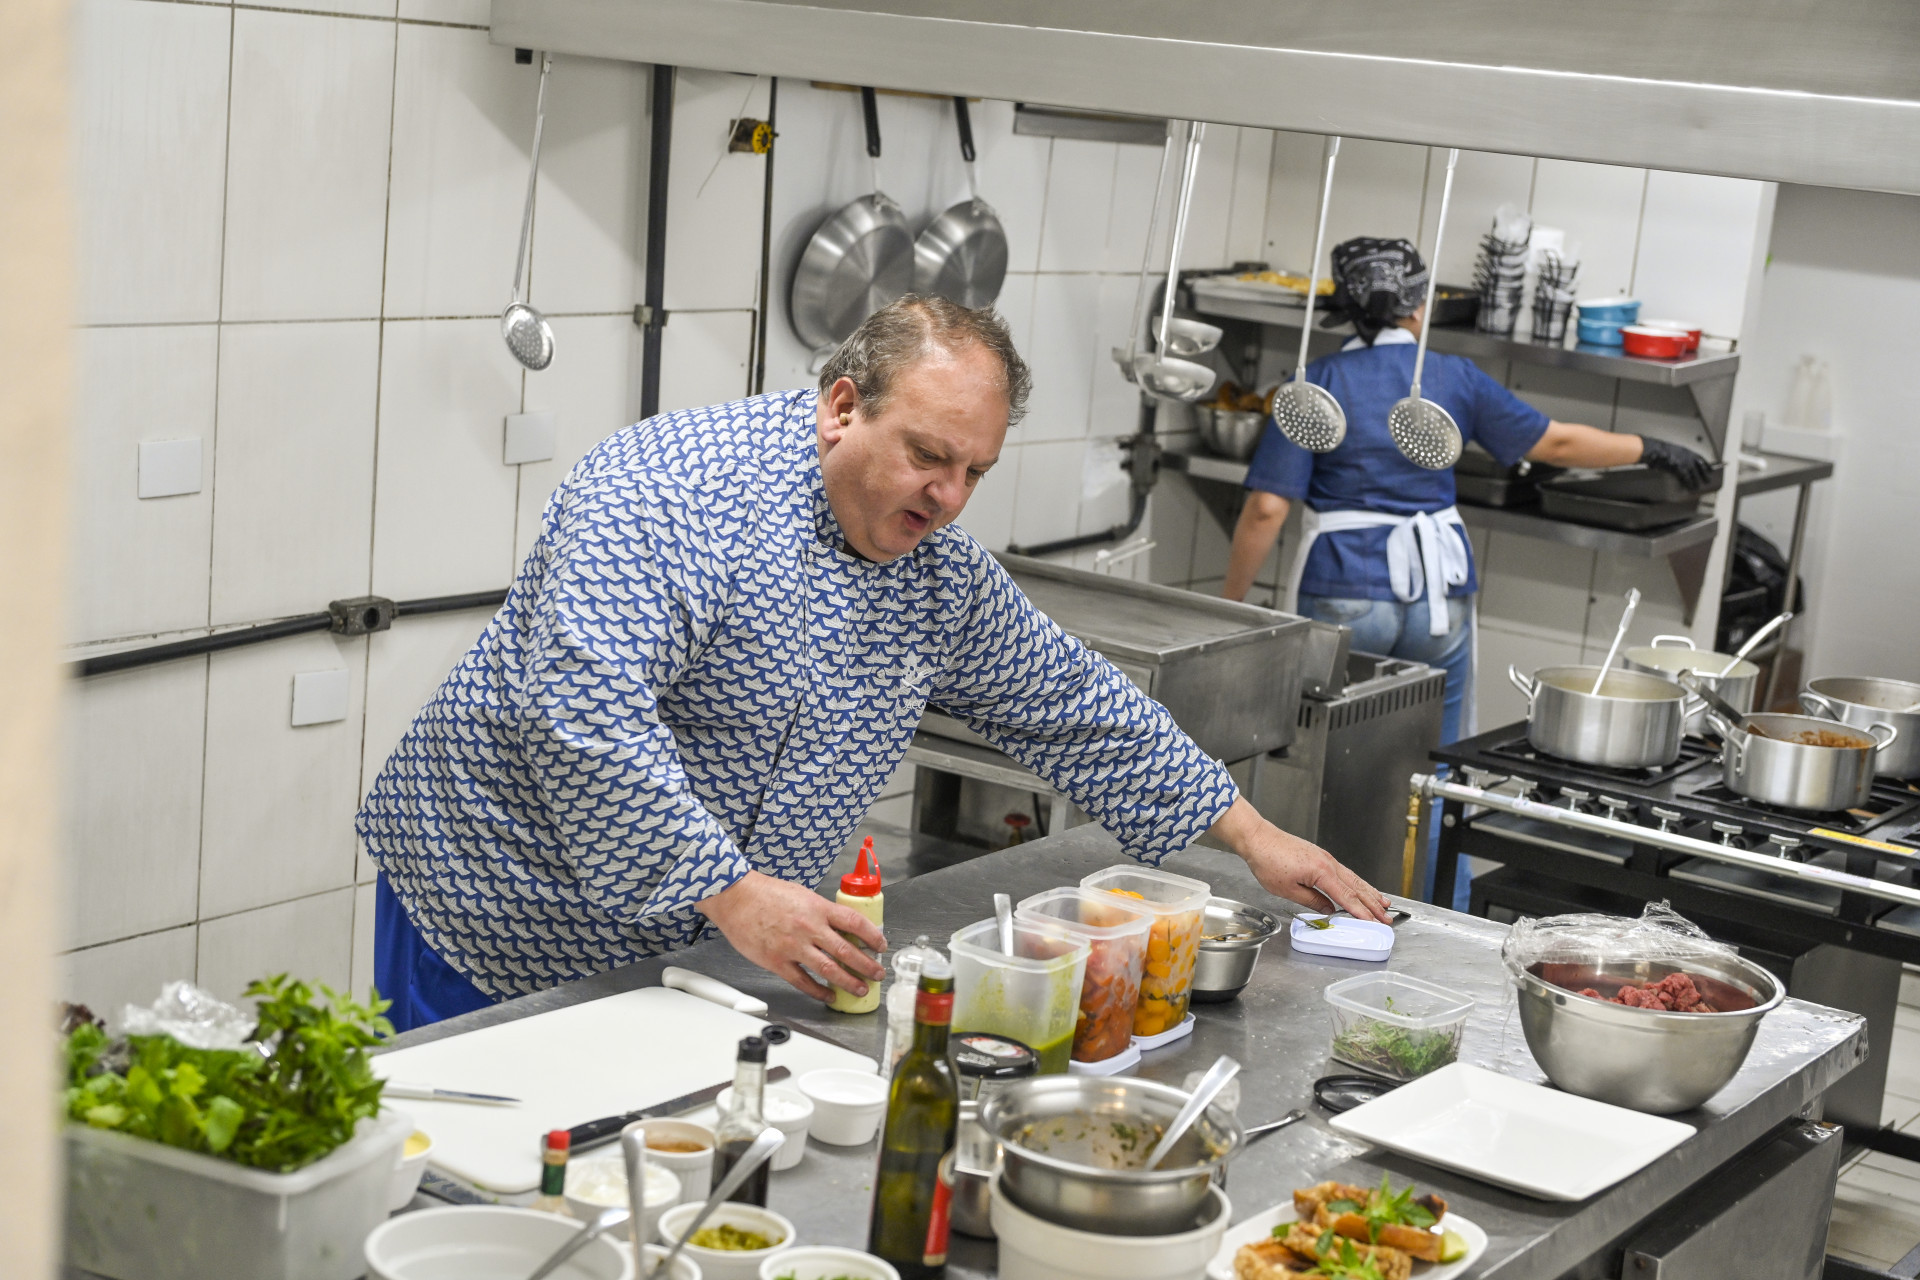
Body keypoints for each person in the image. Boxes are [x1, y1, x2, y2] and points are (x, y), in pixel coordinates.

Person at [360, 294, 1390, 1032]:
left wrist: (1251, 834)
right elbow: (582, 718)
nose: (949, 497)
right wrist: (731, 889)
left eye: (974, 471)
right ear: (842, 406)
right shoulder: (671, 494)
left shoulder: (934, 570)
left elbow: (1072, 703)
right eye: (928, 456)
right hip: (502, 906)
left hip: (693, 945)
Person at [1223, 239, 1712, 910]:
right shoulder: (1451, 377)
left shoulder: (1315, 386)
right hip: (1439, 595)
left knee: (1323, 762)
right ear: (1419, 306)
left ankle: (1318, 908)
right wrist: (1649, 448)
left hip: (1346, 588)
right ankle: (1438, 914)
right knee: (1437, 772)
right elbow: (1556, 442)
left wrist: (1232, 610)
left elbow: (1266, 509)